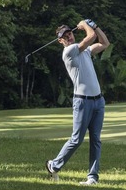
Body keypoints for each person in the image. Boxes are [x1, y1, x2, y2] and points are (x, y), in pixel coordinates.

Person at [45, 19, 111, 185]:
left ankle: (92, 178)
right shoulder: (69, 52)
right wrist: (86, 25)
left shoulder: (85, 51)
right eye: (65, 36)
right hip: (83, 102)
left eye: (70, 33)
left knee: (96, 140)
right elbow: (90, 37)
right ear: (61, 41)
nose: (69, 37)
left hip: (98, 101)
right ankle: (53, 165)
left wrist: (96, 26)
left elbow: (104, 42)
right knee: (77, 139)